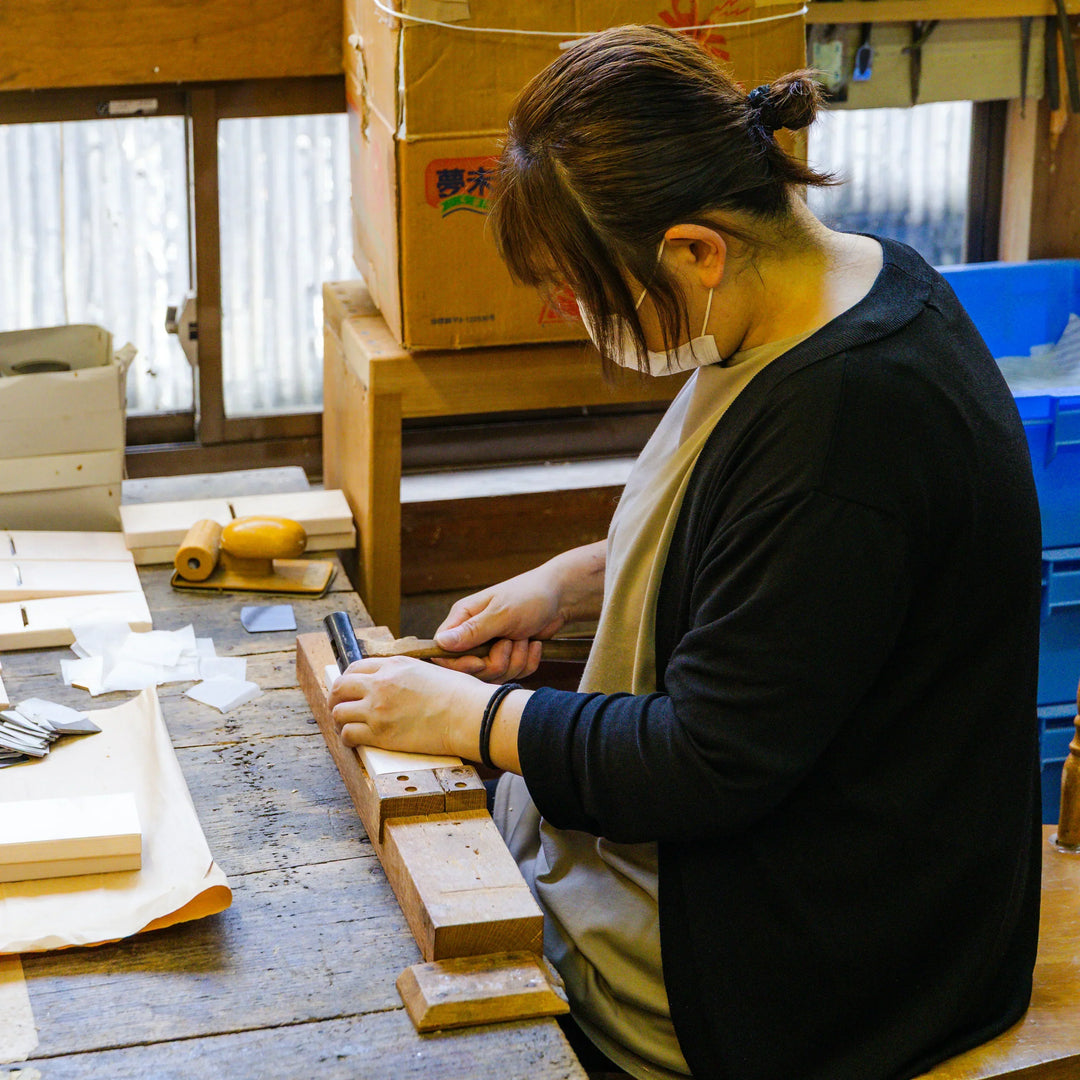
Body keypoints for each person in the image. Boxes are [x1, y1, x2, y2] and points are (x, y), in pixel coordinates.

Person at [327, 24, 1043, 1080]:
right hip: (791, 847)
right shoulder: (825, 287)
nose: (579, 323)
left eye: (587, 298)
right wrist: (573, 584)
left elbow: (707, 764)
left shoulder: (849, 418)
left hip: (819, 966)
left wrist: (469, 720)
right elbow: (776, 571)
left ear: (697, 249)